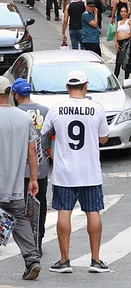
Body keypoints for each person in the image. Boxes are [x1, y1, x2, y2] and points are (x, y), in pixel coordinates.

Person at [41, 70, 110, 274]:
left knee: (64, 212)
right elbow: (104, 138)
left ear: (67, 87)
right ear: (86, 86)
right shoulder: (96, 108)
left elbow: (45, 137)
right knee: (93, 212)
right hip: (90, 172)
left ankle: (64, 261)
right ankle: (96, 260)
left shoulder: (56, 109)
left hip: (64, 172)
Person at [0, 76, 41, 280]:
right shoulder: (24, 118)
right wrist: (33, 179)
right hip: (15, 185)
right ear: (9, 93)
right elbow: (32, 151)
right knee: (20, 219)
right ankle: (32, 259)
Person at [12, 78, 50, 255]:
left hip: (17, 169)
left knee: (15, 207)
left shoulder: (14, 113)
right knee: (39, 206)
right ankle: (38, 241)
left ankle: (22, 242)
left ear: (16, 95)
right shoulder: (45, 111)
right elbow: (51, 139)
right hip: (40, 169)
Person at [114, 5, 131, 79]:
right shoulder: (118, 22)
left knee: (126, 61)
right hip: (119, 43)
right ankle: (115, 78)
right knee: (118, 63)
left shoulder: (129, 21)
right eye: (122, 11)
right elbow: (116, 34)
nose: (123, 13)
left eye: (125, 11)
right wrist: (116, 44)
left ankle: (126, 79)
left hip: (127, 43)